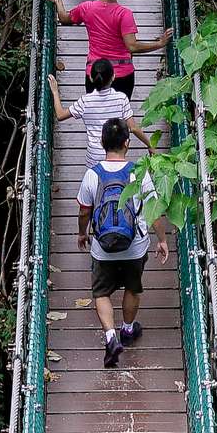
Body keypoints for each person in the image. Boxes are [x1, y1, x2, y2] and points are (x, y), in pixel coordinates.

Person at [80, 114, 149, 369]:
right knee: (133, 287)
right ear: (127, 143)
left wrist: (82, 233)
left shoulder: (92, 175)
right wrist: (162, 239)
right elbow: (152, 209)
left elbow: (85, 210)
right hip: (135, 246)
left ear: (101, 142)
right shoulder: (138, 173)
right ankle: (127, 330)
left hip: (103, 247)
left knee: (101, 292)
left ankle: (110, 337)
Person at [65, 0, 138, 95]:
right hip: (123, 75)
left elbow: (65, 18)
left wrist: (57, 2)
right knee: (121, 113)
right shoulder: (125, 14)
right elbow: (132, 46)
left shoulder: (86, 8)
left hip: (95, 73)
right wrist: (160, 43)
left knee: (95, 113)